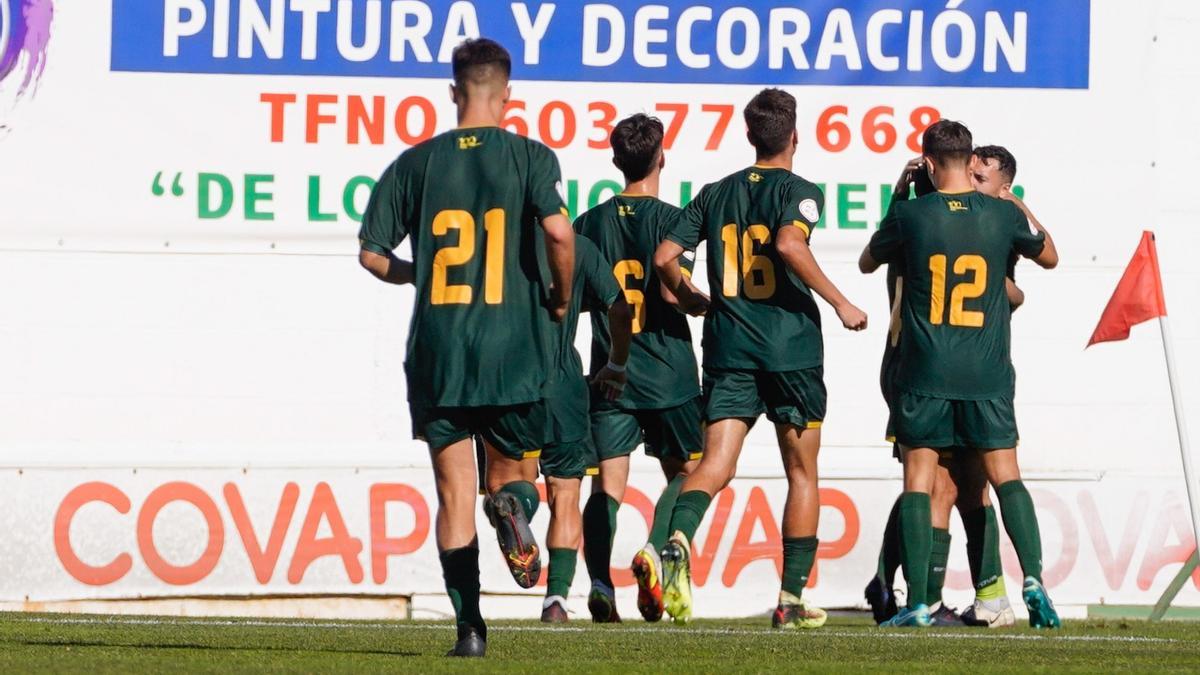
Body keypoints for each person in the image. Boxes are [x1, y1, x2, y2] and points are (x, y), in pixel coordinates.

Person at [356, 38, 575, 657]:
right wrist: (560, 297)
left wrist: (416, 274)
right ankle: (512, 503)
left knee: (454, 493)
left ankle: (470, 631)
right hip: (512, 348)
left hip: (439, 350)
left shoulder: (415, 163)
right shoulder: (530, 156)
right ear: (508, 96)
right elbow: (559, 232)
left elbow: (372, 255)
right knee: (518, 477)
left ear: (454, 92)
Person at [652, 88, 868, 628]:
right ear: (796, 135)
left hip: (729, 349)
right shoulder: (800, 190)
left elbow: (663, 258)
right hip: (789, 352)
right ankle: (790, 600)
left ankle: (675, 542)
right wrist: (841, 301)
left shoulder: (714, 192)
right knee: (802, 472)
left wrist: (687, 295)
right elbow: (791, 245)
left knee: (715, 465)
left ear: (749, 136)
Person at [859, 120, 1060, 629]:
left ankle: (918, 603)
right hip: (986, 373)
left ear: (927, 163)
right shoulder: (999, 216)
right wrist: (1015, 204)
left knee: (921, 483)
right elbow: (1049, 256)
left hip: (924, 370)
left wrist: (899, 199)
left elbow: (866, 262)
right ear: (971, 163)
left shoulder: (911, 215)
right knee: (1003, 479)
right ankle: (1032, 579)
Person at [575, 114, 707, 623]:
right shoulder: (675, 220)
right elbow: (677, 291)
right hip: (669, 370)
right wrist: (702, 304)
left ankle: (601, 585)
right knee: (689, 472)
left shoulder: (589, 222)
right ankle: (655, 548)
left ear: (615, 162)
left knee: (607, 483)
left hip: (612, 371)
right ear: (662, 156)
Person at [538, 234, 633, 623]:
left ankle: (514, 507)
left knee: (509, 481)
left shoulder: (493, 242)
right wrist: (617, 364)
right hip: (561, 387)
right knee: (564, 493)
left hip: (503, 386)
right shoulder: (576, 245)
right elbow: (619, 306)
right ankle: (556, 599)